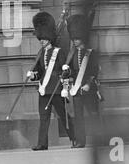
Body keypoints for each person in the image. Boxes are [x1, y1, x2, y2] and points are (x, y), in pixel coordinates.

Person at [26, 12, 76, 151]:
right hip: (44, 89)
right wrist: (33, 76)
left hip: (56, 89)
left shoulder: (58, 52)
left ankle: (74, 137)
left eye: (43, 37)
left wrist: (65, 85)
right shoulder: (40, 53)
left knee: (63, 115)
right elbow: (40, 73)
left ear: (48, 37)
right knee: (43, 118)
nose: (41, 40)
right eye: (40, 38)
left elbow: (66, 70)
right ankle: (42, 143)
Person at [62, 14, 101, 148]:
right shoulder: (73, 54)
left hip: (88, 88)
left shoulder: (90, 53)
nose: (74, 41)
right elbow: (74, 70)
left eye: (77, 38)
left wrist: (88, 84)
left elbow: (94, 71)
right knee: (79, 117)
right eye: (73, 38)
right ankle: (80, 141)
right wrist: (67, 72)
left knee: (93, 114)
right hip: (77, 89)